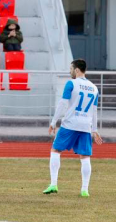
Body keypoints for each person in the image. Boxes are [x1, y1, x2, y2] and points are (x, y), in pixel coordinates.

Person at [44, 59, 102, 197]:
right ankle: (84, 189)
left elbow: (63, 104)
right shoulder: (94, 88)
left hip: (70, 123)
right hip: (85, 126)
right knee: (85, 157)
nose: (69, 71)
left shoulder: (71, 83)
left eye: (71, 68)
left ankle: (53, 184)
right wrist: (94, 130)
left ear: (76, 70)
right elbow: (94, 111)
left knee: (55, 150)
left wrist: (53, 122)